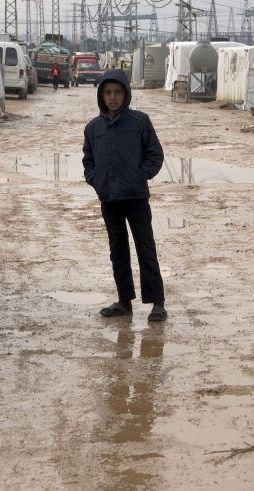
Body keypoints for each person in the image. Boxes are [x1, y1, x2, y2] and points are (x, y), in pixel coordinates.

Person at [82, 69, 167, 322]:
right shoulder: (93, 128)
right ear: (101, 95)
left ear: (126, 94)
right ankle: (124, 301)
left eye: (117, 92)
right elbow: (88, 161)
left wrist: (141, 176)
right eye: (108, 92)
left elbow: (155, 154)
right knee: (117, 250)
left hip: (137, 197)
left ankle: (158, 304)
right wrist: (96, 181)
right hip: (109, 200)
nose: (112, 97)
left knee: (145, 248)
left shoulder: (140, 121)